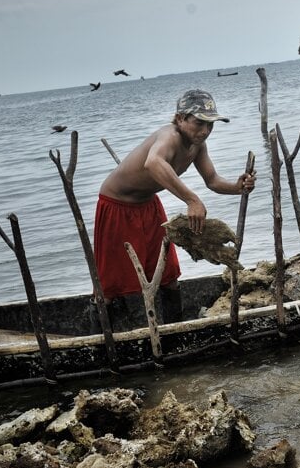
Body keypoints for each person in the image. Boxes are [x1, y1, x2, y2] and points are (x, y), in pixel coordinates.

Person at [93, 89, 256, 323]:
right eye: (199, 123)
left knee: (167, 273)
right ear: (180, 118)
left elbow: (212, 180)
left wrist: (237, 187)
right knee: (110, 282)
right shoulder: (169, 136)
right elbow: (153, 162)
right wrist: (191, 199)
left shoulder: (197, 145)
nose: (205, 131)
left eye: (210, 125)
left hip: (148, 204)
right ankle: (100, 335)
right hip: (117, 206)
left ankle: (174, 326)